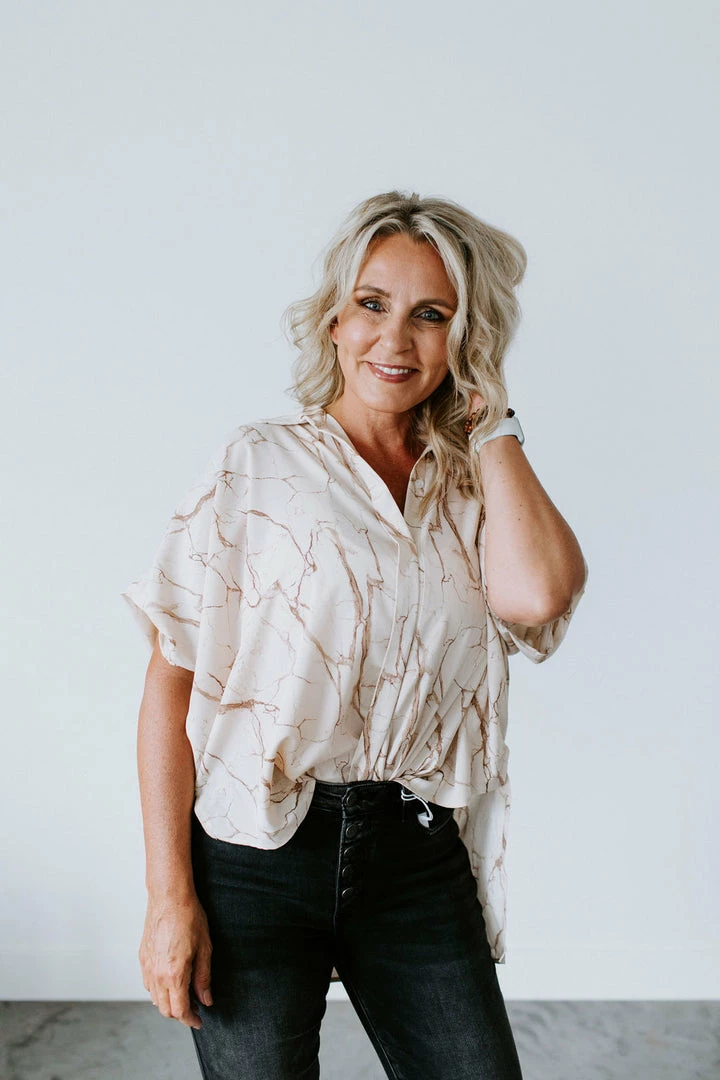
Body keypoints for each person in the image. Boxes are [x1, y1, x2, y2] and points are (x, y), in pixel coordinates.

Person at [121, 190, 588, 1080]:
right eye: (373, 304)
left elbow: (537, 598)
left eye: (433, 316)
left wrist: (494, 426)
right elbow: (167, 684)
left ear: (466, 338)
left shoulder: (474, 487)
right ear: (334, 318)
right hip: (254, 853)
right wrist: (167, 896)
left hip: (414, 854)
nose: (395, 339)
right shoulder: (259, 465)